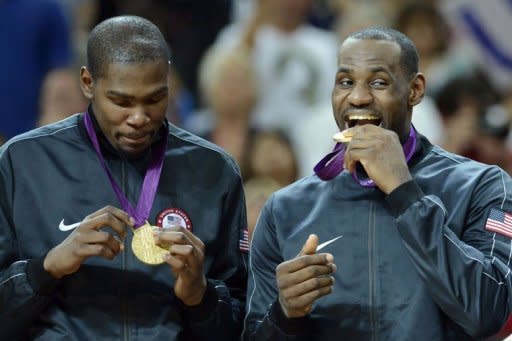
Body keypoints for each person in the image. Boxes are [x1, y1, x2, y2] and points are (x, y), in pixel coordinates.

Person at [243, 27, 512, 340]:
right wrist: (285, 314)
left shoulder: (480, 186)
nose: (358, 97)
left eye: (379, 82)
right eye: (345, 82)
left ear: (415, 89)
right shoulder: (285, 209)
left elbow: (488, 313)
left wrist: (404, 192)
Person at [0, 16, 247, 340]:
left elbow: (241, 325)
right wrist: (46, 269)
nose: (139, 118)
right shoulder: (24, 162)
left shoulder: (215, 170)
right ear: (88, 83)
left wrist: (199, 296)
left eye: (155, 99)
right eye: (122, 101)